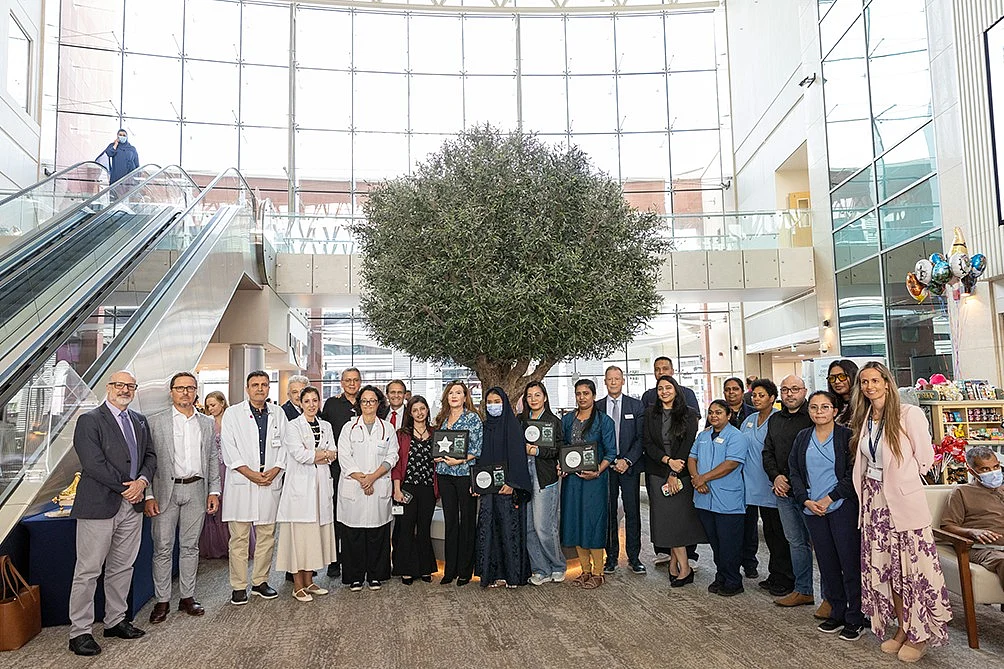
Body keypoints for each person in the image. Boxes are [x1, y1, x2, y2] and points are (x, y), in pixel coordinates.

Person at [851, 361, 951, 661]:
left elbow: (925, 458)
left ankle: (919, 633)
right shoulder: (866, 416)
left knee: (913, 569)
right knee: (887, 568)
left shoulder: (909, 414)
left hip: (903, 503)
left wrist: (901, 478)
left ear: (886, 381)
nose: (869, 386)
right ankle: (903, 627)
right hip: (873, 502)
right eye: (864, 382)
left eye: (874, 380)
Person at [68, 371, 156, 657]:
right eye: (119, 385)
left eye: (130, 386)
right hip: (99, 506)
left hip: (132, 506)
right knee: (88, 571)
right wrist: (126, 488)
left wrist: (142, 482)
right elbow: (92, 463)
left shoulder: (140, 420)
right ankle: (79, 632)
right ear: (108, 388)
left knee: (122, 567)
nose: (125, 390)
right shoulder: (89, 420)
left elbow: (150, 457)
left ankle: (115, 620)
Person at [145, 372, 220, 623]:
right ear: (171, 392)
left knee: (190, 547)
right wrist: (148, 494)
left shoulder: (206, 423)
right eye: (180, 388)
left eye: (190, 388)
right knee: (163, 548)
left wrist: (214, 491)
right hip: (166, 491)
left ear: (196, 391)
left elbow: (211, 458)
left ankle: (187, 597)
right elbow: (148, 461)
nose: (185, 392)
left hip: (197, 490)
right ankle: (162, 600)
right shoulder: (155, 422)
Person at [788, 391, 863, 641]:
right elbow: (794, 472)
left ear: (835, 410)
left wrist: (829, 498)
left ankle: (856, 617)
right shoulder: (802, 437)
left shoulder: (846, 437)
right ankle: (837, 611)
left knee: (849, 563)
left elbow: (853, 473)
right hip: (813, 510)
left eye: (824, 407)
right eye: (814, 407)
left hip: (840, 507)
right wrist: (805, 500)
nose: (819, 411)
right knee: (828, 564)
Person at [221, 370, 288, 606]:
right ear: (247, 389)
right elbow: (229, 449)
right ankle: (239, 586)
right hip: (243, 480)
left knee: (266, 536)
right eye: (255, 385)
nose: (260, 388)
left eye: (264, 385)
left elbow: (285, 447)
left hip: (269, 480)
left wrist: (276, 469)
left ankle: (260, 581)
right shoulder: (233, 414)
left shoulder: (278, 413)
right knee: (239, 538)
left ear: (269, 388)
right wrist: (250, 474)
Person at [762, 375, 819, 610]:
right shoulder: (775, 420)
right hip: (783, 491)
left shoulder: (813, 417)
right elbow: (768, 452)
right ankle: (803, 589)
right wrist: (775, 476)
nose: (789, 394)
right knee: (795, 542)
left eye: (794, 389)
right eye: (785, 389)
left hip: (810, 491)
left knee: (820, 544)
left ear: (804, 391)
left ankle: (830, 597)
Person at [275, 386, 337, 602]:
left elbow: (334, 453)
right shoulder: (292, 426)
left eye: (315, 400)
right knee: (299, 539)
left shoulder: (326, 425)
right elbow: (300, 454)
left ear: (319, 402)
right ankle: (298, 585)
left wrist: (320, 455)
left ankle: (309, 582)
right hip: (299, 491)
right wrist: (321, 454)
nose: (311, 404)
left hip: (320, 488)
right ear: (300, 403)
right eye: (307, 401)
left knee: (314, 538)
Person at [336, 385, 399, 590]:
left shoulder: (387, 428)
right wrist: (363, 479)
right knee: (353, 534)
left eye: (372, 401)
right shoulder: (349, 427)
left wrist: (372, 477)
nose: (368, 404)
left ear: (379, 403)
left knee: (377, 534)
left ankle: (375, 575)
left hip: (378, 484)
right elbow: (343, 456)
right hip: (355, 486)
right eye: (364, 401)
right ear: (359, 403)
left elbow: (392, 456)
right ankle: (354, 576)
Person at [642, 375, 703, 587]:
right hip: (658, 472)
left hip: (682, 474)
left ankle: (681, 566)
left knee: (680, 522)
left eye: (668, 388)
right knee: (667, 522)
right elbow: (647, 443)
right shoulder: (650, 413)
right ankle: (679, 565)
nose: (664, 391)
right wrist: (668, 461)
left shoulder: (689, 414)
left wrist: (675, 472)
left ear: (676, 390)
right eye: (660, 388)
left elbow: (688, 445)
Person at [739, 378, 794, 597]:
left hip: (772, 484)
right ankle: (774, 574)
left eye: (762, 395)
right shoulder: (749, 419)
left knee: (779, 533)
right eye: (754, 395)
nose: (757, 399)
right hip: (752, 485)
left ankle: (785, 577)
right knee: (768, 534)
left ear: (772, 398)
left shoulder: (778, 419)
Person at [561, 379, 617, 589]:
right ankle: (584, 570)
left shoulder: (604, 421)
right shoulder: (567, 420)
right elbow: (563, 447)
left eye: (586, 393)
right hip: (573, 481)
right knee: (575, 521)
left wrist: (598, 471)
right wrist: (562, 467)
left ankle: (598, 572)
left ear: (593, 395)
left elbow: (611, 452)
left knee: (594, 522)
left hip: (595, 481)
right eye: (578, 393)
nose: (582, 397)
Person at [475, 387, 532, 588]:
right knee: (489, 528)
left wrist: (512, 484)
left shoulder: (513, 426)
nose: (493, 405)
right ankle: (492, 575)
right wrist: (477, 483)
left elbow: (518, 459)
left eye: (496, 401)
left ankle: (512, 576)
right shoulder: (484, 427)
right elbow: (479, 458)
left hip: (507, 490)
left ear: (504, 403)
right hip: (488, 490)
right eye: (489, 402)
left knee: (508, 529)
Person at [689, 400, 746, 597]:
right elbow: (691, 457)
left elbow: (731, 463)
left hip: (727, 501)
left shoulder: (737, 436)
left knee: (729, 543)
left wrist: (702, 478)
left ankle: (733, 580)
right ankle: (721, 575)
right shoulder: (703, 435)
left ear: (728, 415)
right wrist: (697, 479)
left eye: (719, 412)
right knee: (715, 543)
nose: (714, 416)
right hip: (704, 499)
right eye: (711, 412)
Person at [595, 366, 646, 575]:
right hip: (606, 469)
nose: (613, 382)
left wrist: (627, 460)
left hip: (629, 468)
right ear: (605, 382)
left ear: (623, 381)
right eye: (610, 379)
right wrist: (607, 461)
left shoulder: (636, 405)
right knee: (608, 513)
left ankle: (634, 558)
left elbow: (641, 438)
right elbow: (595, 440)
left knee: (632, 512)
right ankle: (611, 558)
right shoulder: (597, 407)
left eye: (617, 379)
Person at [433, 380, 483, 586]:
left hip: (464, 475)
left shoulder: (473, 419)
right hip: (445, 475)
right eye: (451, 392)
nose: (454, 396)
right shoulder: (442, 418)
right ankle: (450, 569)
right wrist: (436, 456)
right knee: (450, 522)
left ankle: (465, 570)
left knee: (467, 521)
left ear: (465, 397)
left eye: (458, 393)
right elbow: (437, 444)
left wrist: (461, 459)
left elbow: (478, 449)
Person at [519, 381, 566, 586]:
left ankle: (557, 565)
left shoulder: (553, 421)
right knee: (529, 526)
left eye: (537, 395)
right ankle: (540, 569)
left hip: (545, 476)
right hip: (524, 477)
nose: (533, 399)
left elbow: (558, 449)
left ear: (545, 397)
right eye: (529, 396)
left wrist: (536, 451)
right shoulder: (521, 421)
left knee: (544, 526)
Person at [940, 446, 1004, 588]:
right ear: (971, 471)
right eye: (985, 469)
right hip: (984, 548)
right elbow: (946, 527)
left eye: (996, 466)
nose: (993, 472)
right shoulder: (961, 492)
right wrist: (972, 532)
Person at [320, 367, 362, 578]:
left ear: (360, 382)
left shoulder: (368, 401)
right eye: (348, 380)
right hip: (337, 468)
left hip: (363, 468)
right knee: (337, 513)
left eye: (355, 380)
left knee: (357, 513)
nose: (352, 384)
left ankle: (353, 557)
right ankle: (334, 560)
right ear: (341, 383)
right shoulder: (332, 404)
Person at [391, 396, 439, 584]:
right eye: (415, 410)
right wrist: (397, 488)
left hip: (428, 488)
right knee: (406, 529)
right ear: (410, 413)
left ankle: (425, 568)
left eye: (422, 409)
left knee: (424, 528)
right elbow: (397, 463)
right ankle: (406, 569)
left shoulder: (435, 433)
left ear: (427, 410)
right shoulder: (401, 434)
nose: (419, 413)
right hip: (407, 488)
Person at [199, 391, 235, 559]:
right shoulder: (207, 423)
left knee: (231, 503)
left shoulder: (232, 421)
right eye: (208, 406)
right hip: (214, 468)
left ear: (222, 403)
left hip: (230, 468)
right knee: (214, 504)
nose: (210, 408)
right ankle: (217, 545)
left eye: (213, 404)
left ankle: (233, 544)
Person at [826, 360, 859, 427]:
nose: (837, 381)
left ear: (853, 376)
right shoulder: (831, 405)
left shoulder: (863, 405)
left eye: (842, 376)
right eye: (832, 378)